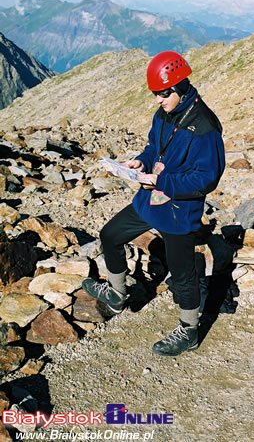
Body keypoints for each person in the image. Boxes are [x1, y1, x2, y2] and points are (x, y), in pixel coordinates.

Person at [82, 50, 225, 356]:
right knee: (111, 235)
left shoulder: (205, 128)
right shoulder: (164, 113)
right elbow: (153, 147)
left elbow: (206, 180)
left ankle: (189, 331)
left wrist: (162, 181)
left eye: (162, 94)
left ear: (180, 87)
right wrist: (140, 161)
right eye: (156, 95)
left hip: (178, 209)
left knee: (183, 273)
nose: (158, 100)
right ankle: (117, 294)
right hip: (151, 198)